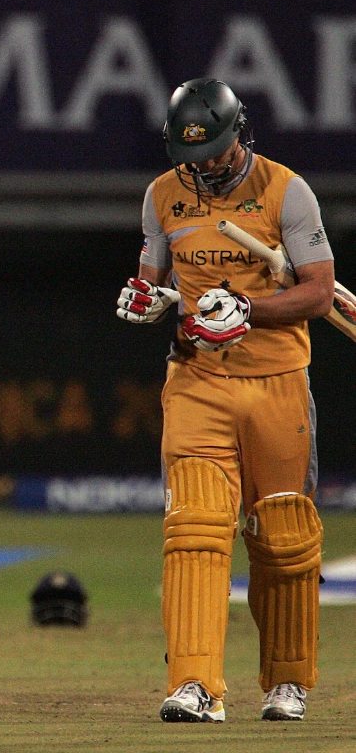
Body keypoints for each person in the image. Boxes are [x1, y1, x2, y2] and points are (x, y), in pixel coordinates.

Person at [116, 78, 330, 723]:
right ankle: (195, 685)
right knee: (195, 532)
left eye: (217, 149)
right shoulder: (162, 196)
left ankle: (286, 682)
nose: (207, 164)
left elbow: (318, 294)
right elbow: (151, 277)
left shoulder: (286, 191)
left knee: (283, 539)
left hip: (277, 382)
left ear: (241, 133)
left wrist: (248, 311)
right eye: (196, 154)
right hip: (197, 381)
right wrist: (144, 300)